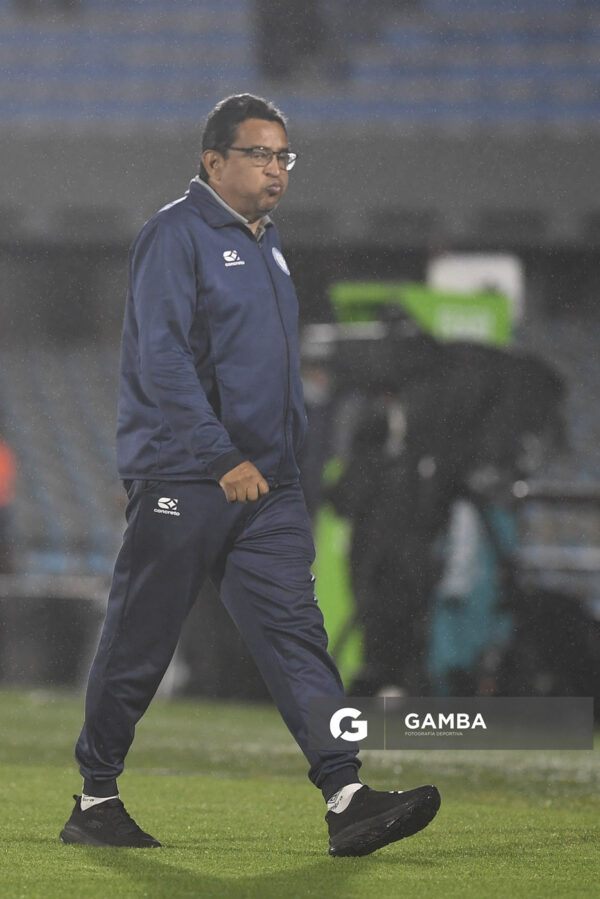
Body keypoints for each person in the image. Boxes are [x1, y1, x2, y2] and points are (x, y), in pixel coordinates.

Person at [59, 94, 440, 856]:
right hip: (188, 475)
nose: (278, 170)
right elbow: (160, 359)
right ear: (215, 160)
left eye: (285, 157)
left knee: (298, 635)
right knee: (141, 639)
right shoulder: (174, 236)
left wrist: (284, 461)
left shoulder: (268, 242)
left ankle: (346, 793)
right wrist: (219, 455)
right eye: (262, 155)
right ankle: (95, 795)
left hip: (267, 488)